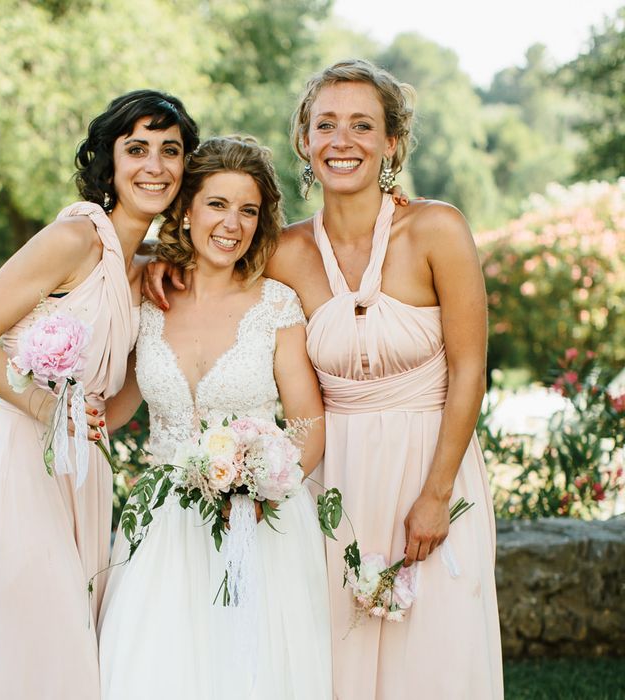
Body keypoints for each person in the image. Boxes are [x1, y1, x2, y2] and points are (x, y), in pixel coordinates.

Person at [146, 60, 502, 700]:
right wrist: (152, 268)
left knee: (439, 651)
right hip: (332, 477)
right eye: (326, 125)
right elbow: (210, 271)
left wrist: (436, 492)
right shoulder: (284, 250)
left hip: (430, 464)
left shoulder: (437, 229)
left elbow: (470, 367)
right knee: (337, 654)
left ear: (391, 141)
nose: (343, 141)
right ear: (304, 143)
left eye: (362, 125)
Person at [0, 89, 199, 700]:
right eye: (136, 148)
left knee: (78, 651)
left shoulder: (143, 271)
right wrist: (46, 412)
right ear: (108, 162)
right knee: (44, 650)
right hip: (21, 470)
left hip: (86, 475)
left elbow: (114, 406)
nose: (155, 165)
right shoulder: (73, 240)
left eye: (171, 150)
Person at [97, 136, 332, 699]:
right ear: (186, 209)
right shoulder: (148, 296)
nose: (233, 224)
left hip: (261, 520)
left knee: (254, 674)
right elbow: (119, 404)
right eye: (218, 205)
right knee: (156, 672)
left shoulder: (277, 304)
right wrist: (27, 412)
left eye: (248, 209)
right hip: (162, 521)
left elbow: (308, 423)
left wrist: (259, 487)